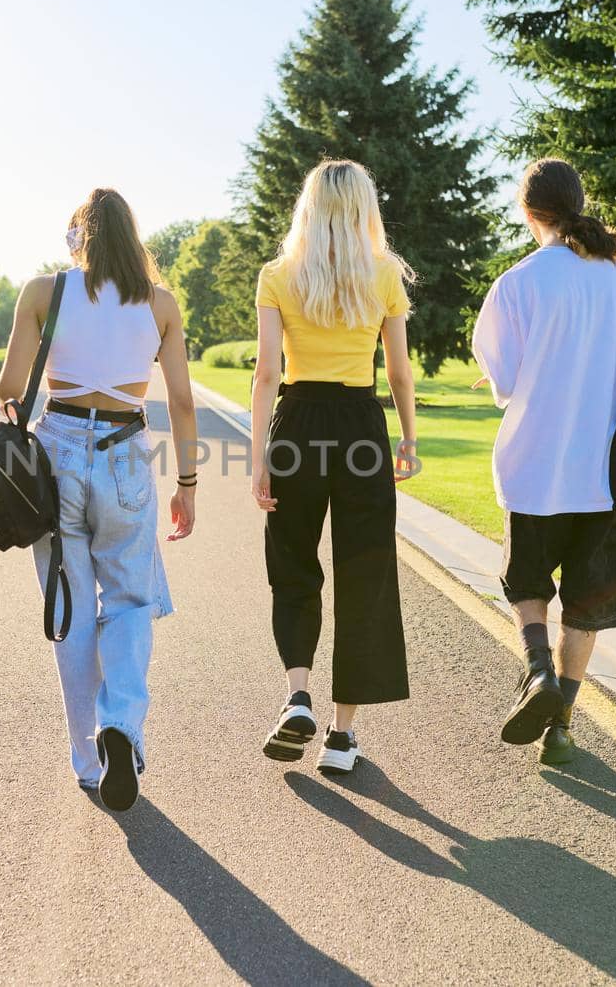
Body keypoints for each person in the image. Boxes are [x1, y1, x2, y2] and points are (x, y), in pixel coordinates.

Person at [471, 157, 616, 765]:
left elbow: (505, 382)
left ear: (528, 212)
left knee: (527, 584)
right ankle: (561, 723)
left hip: (535, 466)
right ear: (578, 204)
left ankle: (537, 672)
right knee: (585, 606)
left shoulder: (518, 283)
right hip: (607, 472)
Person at [0, 187, 198, 812]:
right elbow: (183, 403)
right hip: (124, 450)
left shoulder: (43, 293)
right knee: (132, 596)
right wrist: (187, 486)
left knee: (72, 606)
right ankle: (121, 728)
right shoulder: (159, 304)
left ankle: (88, 759)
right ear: (132, 240)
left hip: (56, 450)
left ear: (79, 238)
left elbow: (9, 389)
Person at [249, 159, 420, 777]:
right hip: (360, 426)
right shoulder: (384, 276)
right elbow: (398, 372)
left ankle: (298, 694)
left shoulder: (278, 276)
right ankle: (341, 737)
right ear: (363, 209)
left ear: (308, 207)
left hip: (296, 423)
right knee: (363, 573)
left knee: (292, 564)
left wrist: (259, 457)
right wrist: (408, 438)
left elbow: (267, 373)